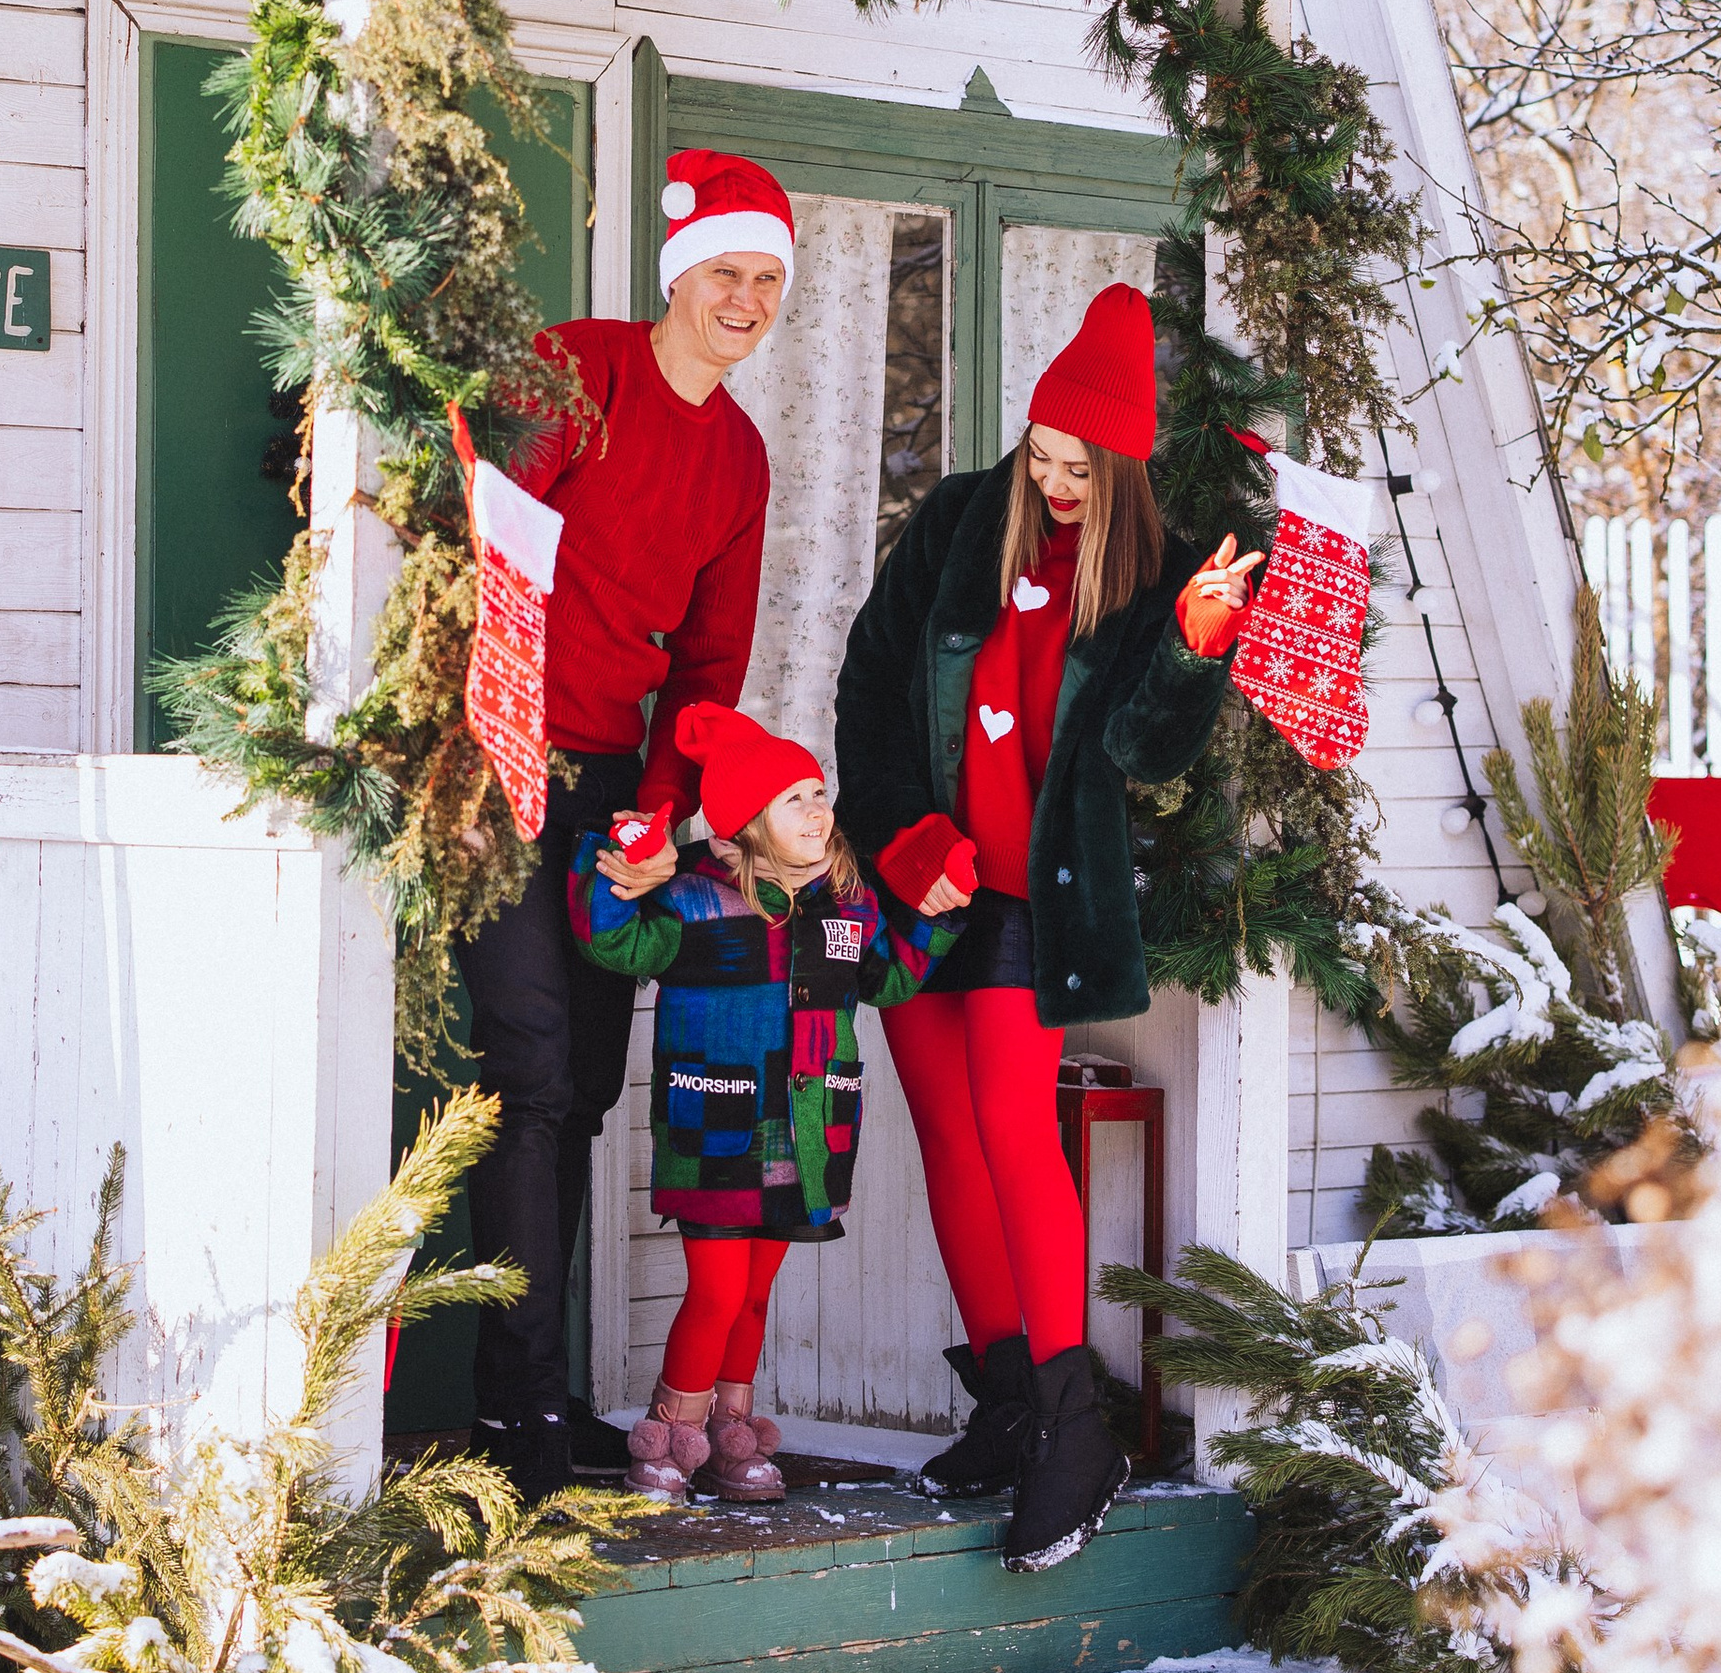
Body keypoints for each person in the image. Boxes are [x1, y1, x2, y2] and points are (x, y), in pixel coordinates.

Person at [834, 281, 1260, 1571]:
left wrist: (1192, 646)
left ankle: (1078, 1425)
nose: (1057, 481)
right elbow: (867, 681)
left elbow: (1141, 745)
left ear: (1121, 467)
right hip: (921, 881)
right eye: (1043, 455)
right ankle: (1010, 1397)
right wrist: (906, 836)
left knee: (1017, 1132)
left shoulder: (1145, 574)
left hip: (1033, 896)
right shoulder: (960, 520)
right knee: (946, 1136)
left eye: (1082, 465)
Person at [464, 148, 793, 1501]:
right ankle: (524, 1411)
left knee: (584, 1089)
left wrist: (660, 814)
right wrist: (489, 730)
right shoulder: (581, 370)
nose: (748, 299)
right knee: (535, 1074)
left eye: (769, 280)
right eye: (729, 272)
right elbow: (489, 538)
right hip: (500, 756)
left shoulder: (742, 458)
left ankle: (537, 1391)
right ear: (679, 274)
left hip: (615, 791)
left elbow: (710, 670)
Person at [571, 701, 952, 1503]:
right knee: (713, 1290)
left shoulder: (849, 908)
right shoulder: (695, 905)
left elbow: (891, 980)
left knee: (752, 1293)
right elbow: (615, 940)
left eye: (820, 792)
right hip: (715, 1128)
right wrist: (614, 863)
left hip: (806, 1132)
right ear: (745, 823)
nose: (819, 810)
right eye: (794, 799)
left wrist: (934, 915)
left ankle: (731, 1435)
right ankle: (670, 1432)